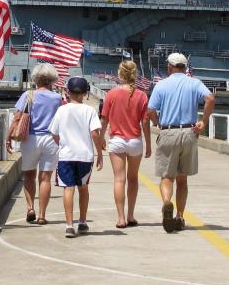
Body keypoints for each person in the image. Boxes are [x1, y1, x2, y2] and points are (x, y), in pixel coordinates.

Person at [147, 52, 215, 233]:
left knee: (166, 176)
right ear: (185, 68)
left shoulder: (161, 85)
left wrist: (157, 123)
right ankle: (180, 216)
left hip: (168, 130)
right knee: (182, 180)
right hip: (189, 131)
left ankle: (167, 203)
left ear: (169, 67)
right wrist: (204, 122)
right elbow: (210, 99)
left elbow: (150, 110)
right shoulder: (195, 83)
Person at [6, 63, 62, 225]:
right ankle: (42, 215)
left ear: (36, 79)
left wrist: (8, 136)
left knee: (29, 175)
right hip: (51, 140)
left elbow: (17, 117)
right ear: (51, 80)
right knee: (45, 178)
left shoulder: (28, 95)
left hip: (30, 138)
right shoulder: (58, 99)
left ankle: (30, 207)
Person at [49, 77, 104, 238]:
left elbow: (54, 133)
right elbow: (95, 133)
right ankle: (83, 221)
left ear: (68, 91)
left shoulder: (62, 110)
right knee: (83, 188)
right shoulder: (90, 111)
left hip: (66, 155)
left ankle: (69, 225)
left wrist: (62, 144)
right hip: (85, 155)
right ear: (85, 93)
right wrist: (100, 153)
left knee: (68, 188)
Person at [100, 60, 151, 228]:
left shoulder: (111, 94)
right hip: (135, 140)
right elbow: (144, 123)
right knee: (133, 178)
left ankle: (120, 218)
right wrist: (149, 145)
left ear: (120, 73)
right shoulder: (142, 95)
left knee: (119, 179)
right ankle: (130, 216)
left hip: (116, 140)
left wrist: (101, 138)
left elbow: (104, 119)